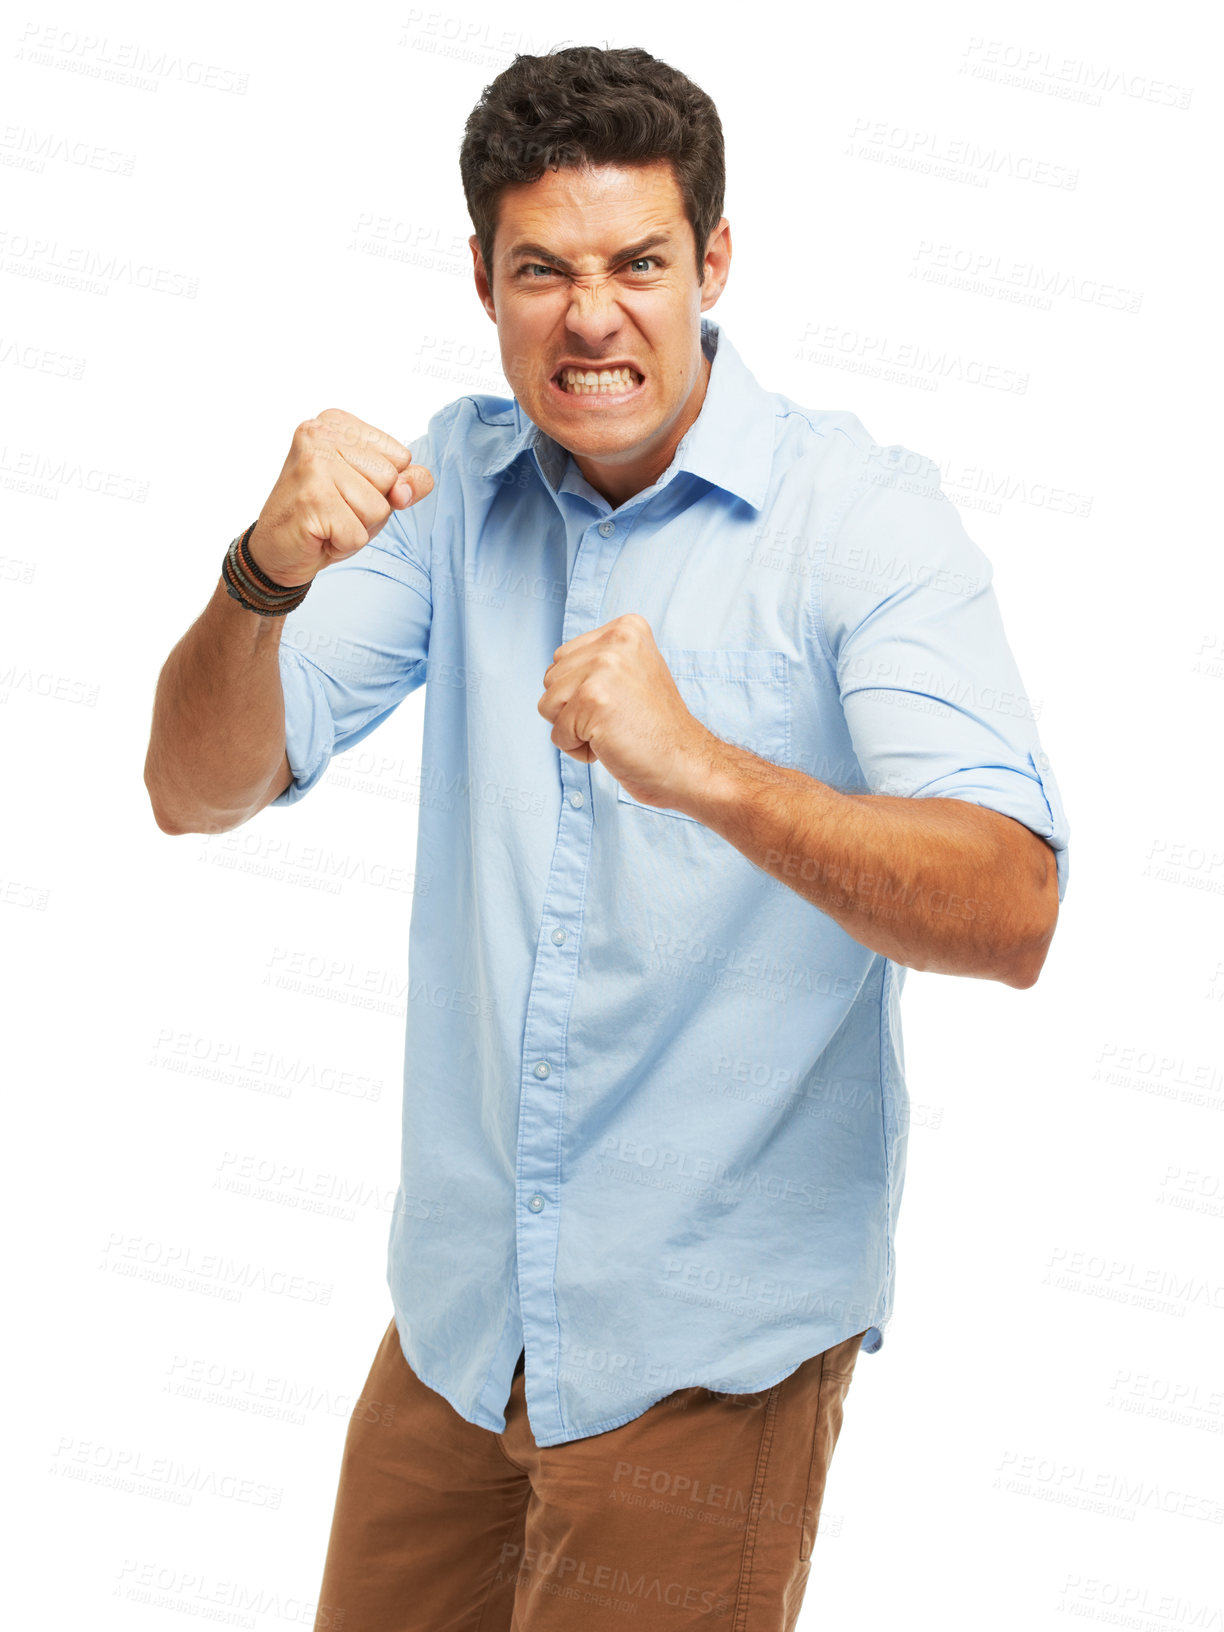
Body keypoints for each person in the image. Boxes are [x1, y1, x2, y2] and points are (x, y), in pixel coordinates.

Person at [144, 42, 1070, 1632]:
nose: (591, 315)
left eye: (639, 262)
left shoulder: (862, 520)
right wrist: (263, 573)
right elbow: (196, 787)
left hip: (696, 1367)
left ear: (713, 262)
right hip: (458, 1336)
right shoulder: (448, 489)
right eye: (543, 270)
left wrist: (708, 769)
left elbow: (1013, 910)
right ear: (486, 281)